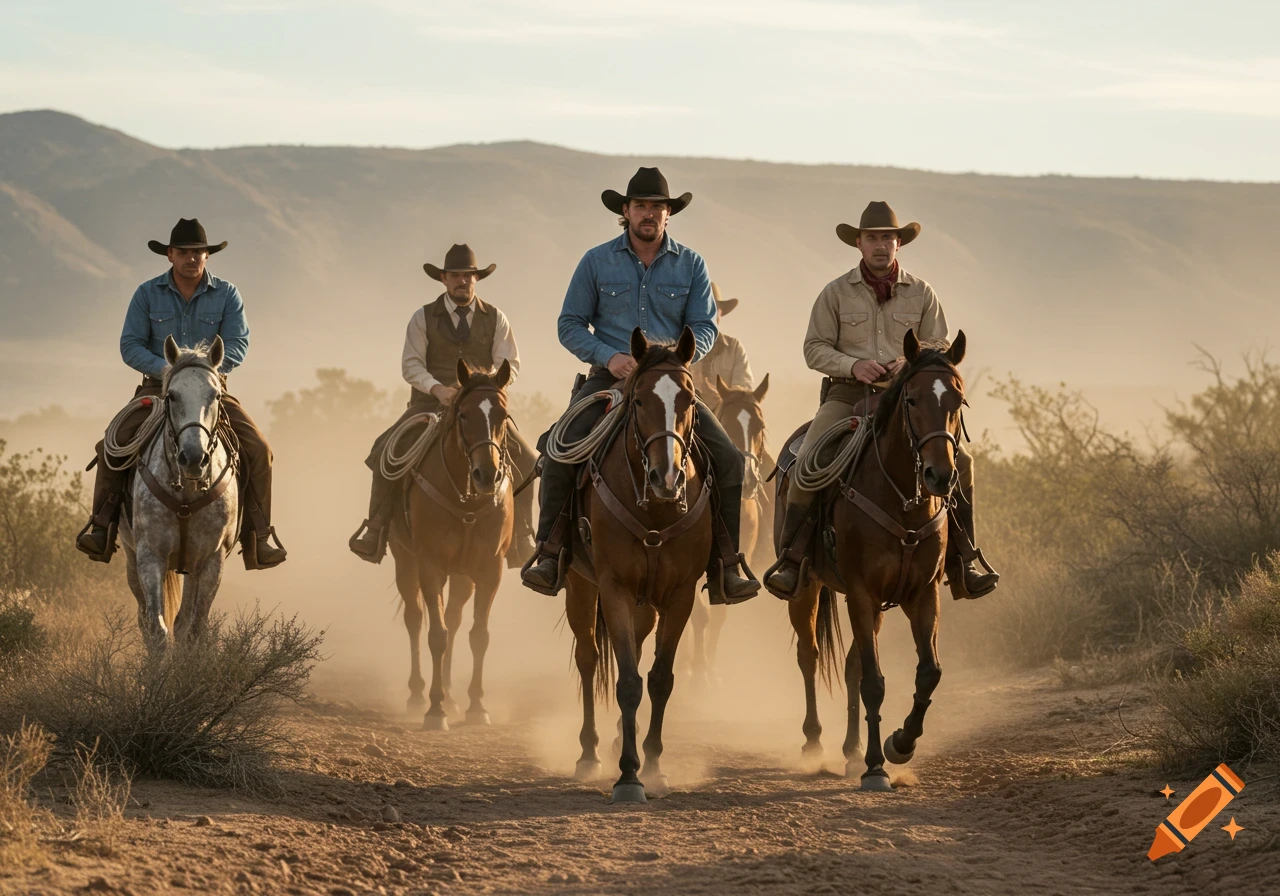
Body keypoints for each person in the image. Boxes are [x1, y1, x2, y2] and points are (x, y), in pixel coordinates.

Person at [521, 167, 761, 605]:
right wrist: (609, 357)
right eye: (641, 206)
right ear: (625, 212)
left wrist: (675, 358)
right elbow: (569, 323)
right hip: (608, 380)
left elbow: (704, 326)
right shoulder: (596, 261)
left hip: (669, 383)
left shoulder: (691, 264)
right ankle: (551, 552)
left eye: (657, 207)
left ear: (669, 215)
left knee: (727, 457)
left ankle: (725, 564)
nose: (649, 214)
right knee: (559, 449)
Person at [764, 201, 999, 601]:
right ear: (858, 243)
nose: (880, 245)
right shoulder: (835, 293)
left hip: (908, 398)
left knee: (961, 462)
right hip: (847, 394)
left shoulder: (922, 293)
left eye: (887, 238)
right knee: (808, 461)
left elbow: (940, 343)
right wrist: (853, 366)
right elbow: (814, 348)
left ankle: (964, 560)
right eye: (872, 238)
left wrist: (912, 361)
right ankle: (793, 557)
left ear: (898, 244)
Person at [76, 218, 286, 570]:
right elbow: (130, 345)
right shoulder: (146, 293)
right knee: (112, 444)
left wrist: (203, 373)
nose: (192, 258)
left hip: (209, 389)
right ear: (170, 255)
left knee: (259, 450)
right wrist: (168, 371)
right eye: (184, 252)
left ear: (207, 256)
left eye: (198, 252)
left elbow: (237, 344)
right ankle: (102, 525)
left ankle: (259, 535)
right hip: (158, 389)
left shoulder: (227, 294)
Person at [349, 244, 538, 564]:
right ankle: (376, 528)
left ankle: (522, 536)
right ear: (444, 279)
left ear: (477, 279)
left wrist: (484, 387)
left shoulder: (496, 317)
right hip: (430, 403)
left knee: (529, 459)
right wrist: (437, 389)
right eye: (455, 275)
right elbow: (411, 365)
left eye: (468, 275)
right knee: (385, 450)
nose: (462, 281)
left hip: (481, 406)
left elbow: (510, 364)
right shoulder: (421, 317)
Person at [690, 284, 754, 413]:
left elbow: (744, 387)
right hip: (687, 413)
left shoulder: (734, 347)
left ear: (721, 313)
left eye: (713, 308)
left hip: (725, 414)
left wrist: (723, 395)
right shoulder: (680, 346)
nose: (708, 314)